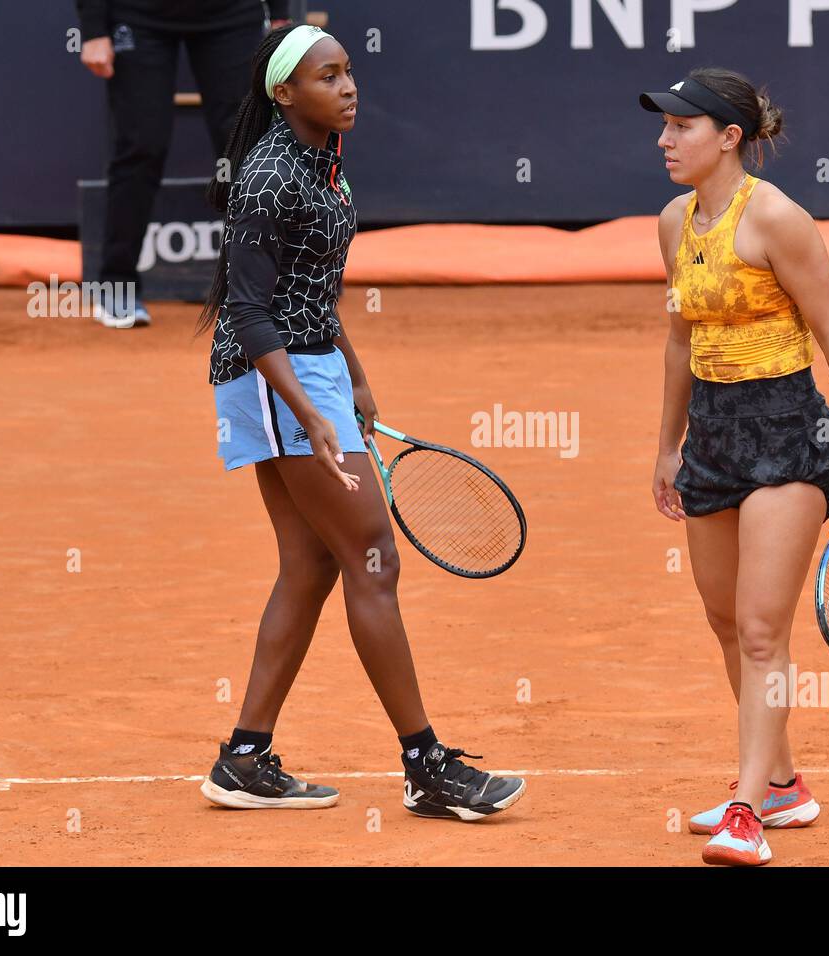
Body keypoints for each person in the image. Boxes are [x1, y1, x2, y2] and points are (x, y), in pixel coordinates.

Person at [194, 24, 526, 821]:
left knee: (312, 566)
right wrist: (307, 409)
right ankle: (427, 766)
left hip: (309, 370)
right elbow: (248, 308)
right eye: (327, 76)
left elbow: (315, 286)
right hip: (270, 378)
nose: (347, 88)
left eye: (349, 73)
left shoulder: (325, 162)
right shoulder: (270, 176)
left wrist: (353, 376)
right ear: (284, 94)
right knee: (373, 556)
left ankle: (243, 757)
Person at [642, 69, 829, 866]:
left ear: (728, 138)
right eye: (663, 126)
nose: (663, 140)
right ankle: (786, 783)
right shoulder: (672, 222)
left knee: (761, 633)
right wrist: (666, 445)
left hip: (788, 434)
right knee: (726, 624)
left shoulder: (780, 220)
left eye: (681, 126)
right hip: (713, 437)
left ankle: (748, 809)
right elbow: (682, 339)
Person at [76, 1, 293, 328]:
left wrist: (279, 13)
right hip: (138, 15)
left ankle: (266, 289)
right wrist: (93, 30)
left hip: (232, 16)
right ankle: (116, 285)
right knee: (141, 145)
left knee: (245, 150)